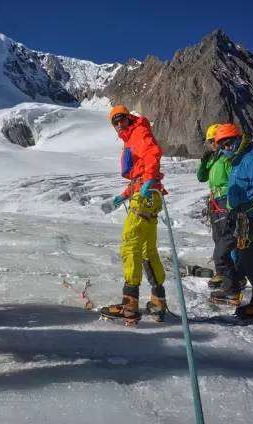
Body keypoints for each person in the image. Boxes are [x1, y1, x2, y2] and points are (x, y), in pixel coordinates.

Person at [99, 105, 167, 325]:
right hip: (149, 194)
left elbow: (152, 154)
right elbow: (140, 173)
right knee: (148, 250)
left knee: (130, 246)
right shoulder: (132, 137)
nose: (119, 125)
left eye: (122, 120)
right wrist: (124, 195)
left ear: (129, 118)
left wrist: (147, 180)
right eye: (115, 122)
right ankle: (158, 303)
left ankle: (129, 306)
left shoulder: (138, 132)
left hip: (145, 194)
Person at [211, 124, 253, 319]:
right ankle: (232, 288)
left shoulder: (251, 159)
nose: (227, 147)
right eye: (222, 145)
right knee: (232, 254)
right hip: (240, 216)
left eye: (230, 142)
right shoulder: (237, 162)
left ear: (239, 140)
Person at [198, 124, 245, 304]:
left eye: (213, 141)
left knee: (226, 242)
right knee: (219, 239)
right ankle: (226, 276)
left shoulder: (226, 159)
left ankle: (233, 281)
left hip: (225, 200)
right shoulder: (215, 159)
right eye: (210, 142)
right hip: (216, 201)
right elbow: (201, 177)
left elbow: (233, 179)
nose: (212, 145)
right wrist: (204, 161)